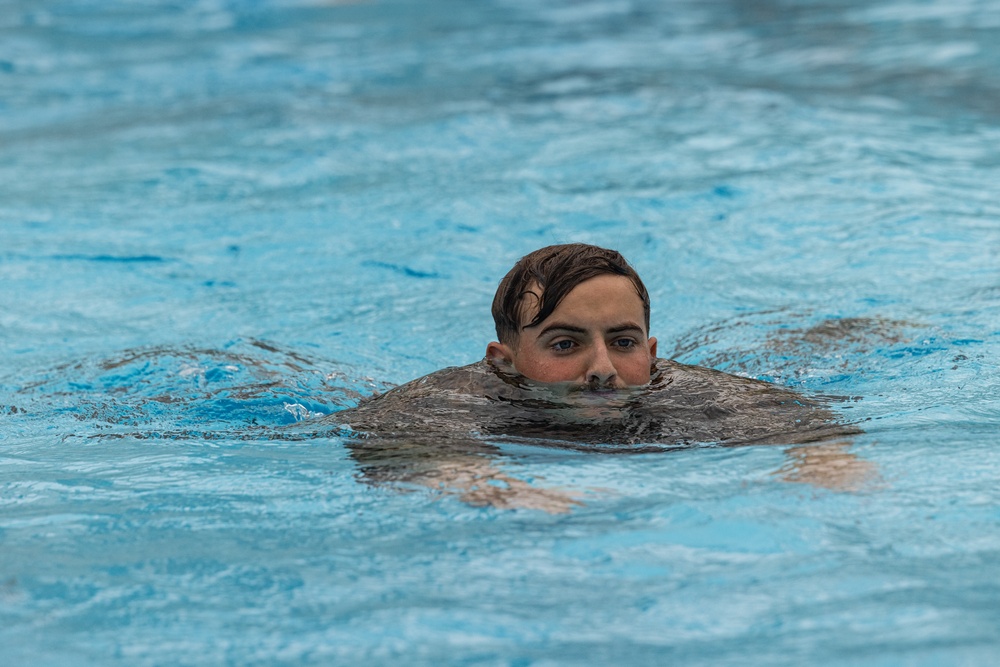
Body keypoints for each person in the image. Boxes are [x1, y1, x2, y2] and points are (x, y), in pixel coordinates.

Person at [335, 243, 869, 510]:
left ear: (652, 352)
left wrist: (823, 462)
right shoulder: (448, 402)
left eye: (623, 342)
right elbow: (393, 448)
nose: (602, 371)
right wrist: (490, 488)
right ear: (503, 360)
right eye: (565, 344)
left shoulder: (697, 393)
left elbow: (811, 431)